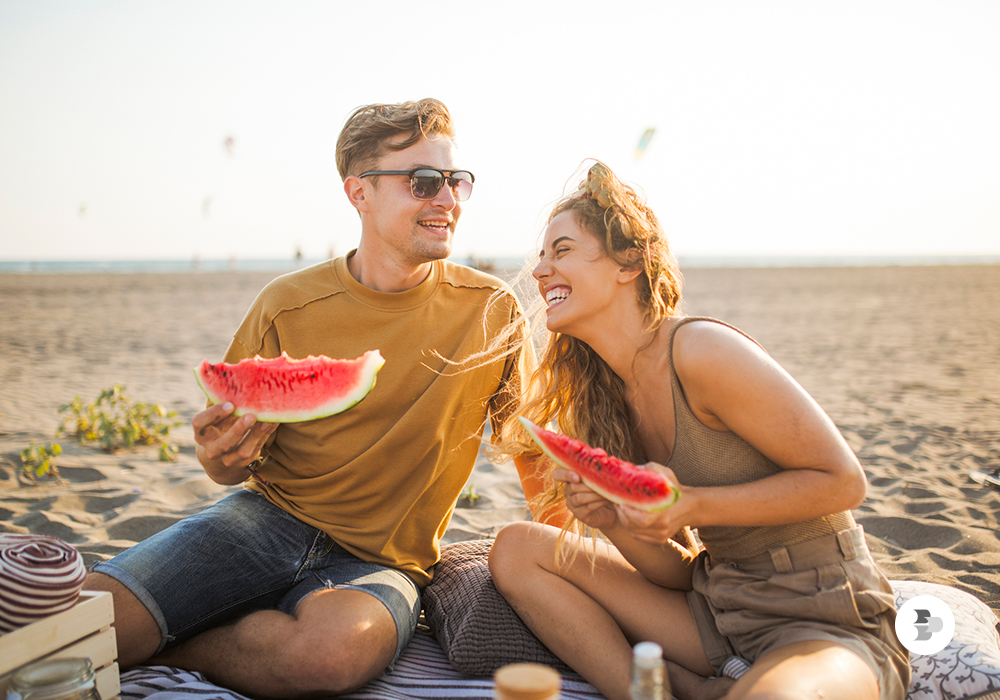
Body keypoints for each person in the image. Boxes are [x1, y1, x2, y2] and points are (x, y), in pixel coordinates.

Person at [85, 98, 526, 697]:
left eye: (457, 182)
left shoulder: (491, 309)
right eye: (423, 183)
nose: (446, 200)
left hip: (384, 561)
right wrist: (220, 457)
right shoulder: (286, 303)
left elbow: (526, 441)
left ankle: (186, 642)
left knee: (326, 659)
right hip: (262, 520)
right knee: (88, 629)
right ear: (359, 193)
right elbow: (224, 464)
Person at [487, 162, 909, 700]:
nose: (541, 270)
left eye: (561, 250)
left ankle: (712, 687)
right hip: (717, 611)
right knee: (518, 549)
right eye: (541, 256)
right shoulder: (609, 397)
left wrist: (691, 505)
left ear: (628, 263)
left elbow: (844, 481)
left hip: (821, 618)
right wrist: (613, 520)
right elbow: (679, 575)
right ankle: (647, 691)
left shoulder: (701, 351)